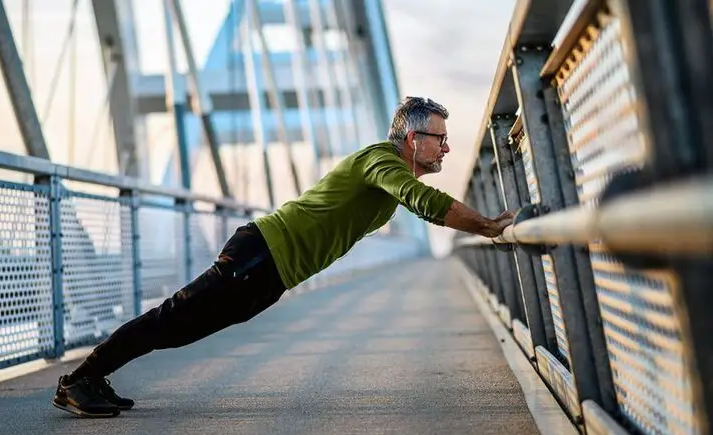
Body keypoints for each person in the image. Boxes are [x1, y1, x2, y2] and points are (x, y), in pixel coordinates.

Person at [51, 96, 515, 418]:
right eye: (439, 137)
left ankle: (96, 378)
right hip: (260, 252)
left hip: (272, 274)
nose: (446, 147)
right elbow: (425, 203)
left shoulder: (387, 170)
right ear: (413, 139)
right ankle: (79, 380)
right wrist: (490, 225)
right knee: (171, 318)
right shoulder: (382, 160)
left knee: (180, 330)